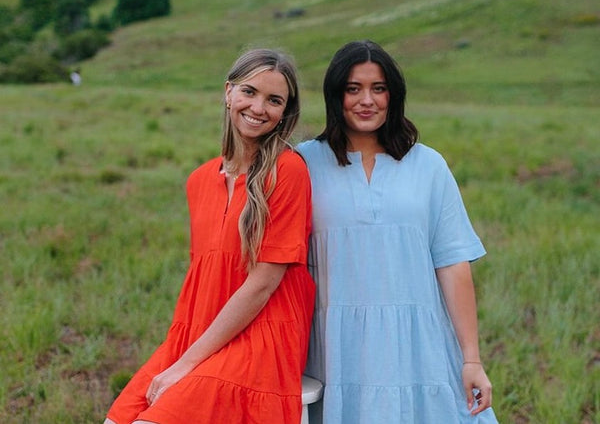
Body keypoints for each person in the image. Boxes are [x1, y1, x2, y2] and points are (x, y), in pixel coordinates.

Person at [104, 48, 315, 424]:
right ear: (228, 92)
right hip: (200, 332)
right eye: (249, 92)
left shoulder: (287, 171)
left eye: (274, 100)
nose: (259, 107)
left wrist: (185, 366)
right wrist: (181, 356)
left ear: (285, 112)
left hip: (261, 339)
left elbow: (263, 285)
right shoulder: (199, 180)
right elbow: (206, 279)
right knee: (119, 418)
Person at [297, 40, 498, 423]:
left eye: (379, 88)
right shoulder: (303, 163)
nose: (366, 100)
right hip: (337, 349)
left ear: (394, 95)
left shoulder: (429, 166)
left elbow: (453, 264)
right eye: (353, 89)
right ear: (335, 96)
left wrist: (471, 358)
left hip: (419, 346)